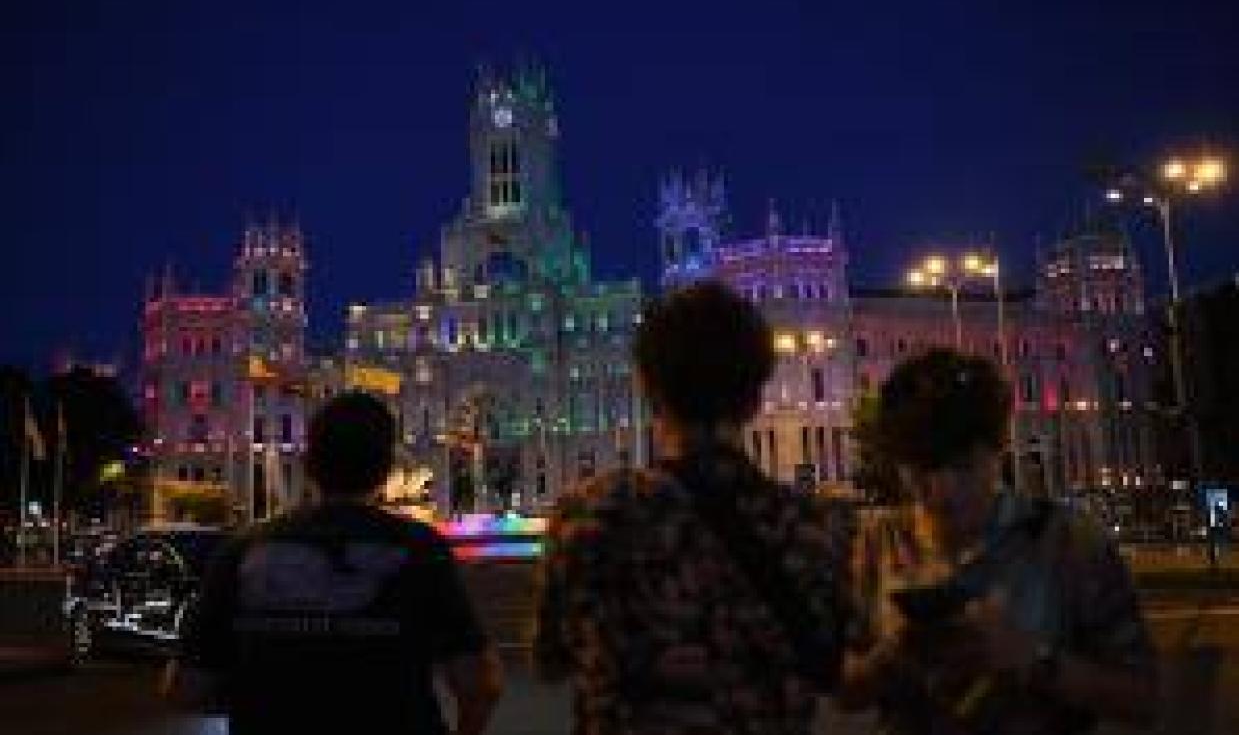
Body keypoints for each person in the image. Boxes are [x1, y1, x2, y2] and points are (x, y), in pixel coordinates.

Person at [533, 281, 853, 734]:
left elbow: (551, 660)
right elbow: (840, 670)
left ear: (646, 387)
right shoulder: (813, 527)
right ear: (757, 395)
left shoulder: (590, 516)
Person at [841, 349, 1158, 734]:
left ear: (999, 450)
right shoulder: (878, 542)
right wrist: (890, 658)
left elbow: (1143, 697)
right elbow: (844, 688)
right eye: (922, 470)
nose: (943, 492)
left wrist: (1032, 660)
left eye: (964, 466)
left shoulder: (1069, 541)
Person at [163, 392, 502, 735]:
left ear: (309, 463)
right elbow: (480, 685)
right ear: (386, 468)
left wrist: (265, 696)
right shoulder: (422, 550)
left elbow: (185, 688)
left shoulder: (242, 551)